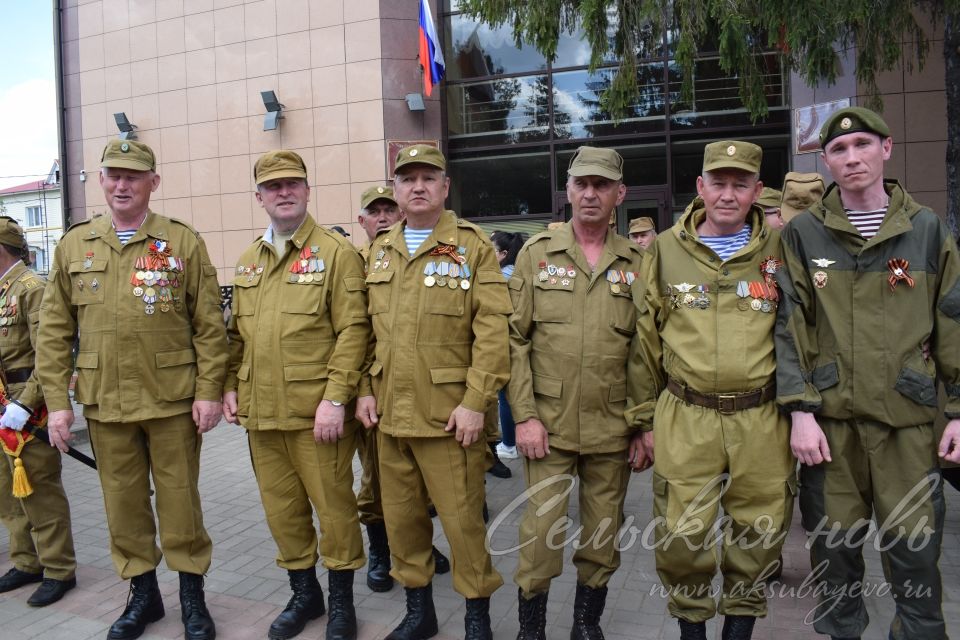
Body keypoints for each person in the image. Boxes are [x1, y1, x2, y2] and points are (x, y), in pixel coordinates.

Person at [775, 106, 960, 640]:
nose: (851, 157)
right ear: (827, 162)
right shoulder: (805, 235)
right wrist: (800, 412)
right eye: (838, 149)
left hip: (908, 424)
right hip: (832, 431)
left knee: (917, 557)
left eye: (861, 144)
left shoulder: (925, 230)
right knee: (833, 559)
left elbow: (953, 320)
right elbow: (790, 326)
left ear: (886, 148)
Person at [36, 139, 226, 640]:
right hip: (106, 402)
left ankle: (192, 598)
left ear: (153, 184)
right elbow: (54, 332)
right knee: (123, 505)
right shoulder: (75, 245)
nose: (122, 185)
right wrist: (58, 404)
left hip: (172, 400)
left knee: (180, 502)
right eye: (113, 175)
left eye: (134, 177)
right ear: (100, 180)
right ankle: (143, 596)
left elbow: (209, 324)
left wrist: (210, 391)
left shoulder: (181, 241)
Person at [630, 141, 795, 640]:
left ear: (757, 192)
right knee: (682, 534)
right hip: (686, 412)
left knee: (760, 531)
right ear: (700, 187)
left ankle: (739, 630)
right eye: (717, 183)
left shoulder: (780, 251)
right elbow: (644, 341)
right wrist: (644, 421)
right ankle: (692, 629)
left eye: (740, 184)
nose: (728, 194)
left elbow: (799, 331)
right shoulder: (664, 249)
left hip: (761, 417)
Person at [356, 144, 511, 640]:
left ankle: (476, 615)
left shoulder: (473, 245)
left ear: (445, 187)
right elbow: (362, 331)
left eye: (428, 177)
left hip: (449, 419)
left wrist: (474, 404)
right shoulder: (380, 250)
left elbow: (493, 333)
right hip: (389, 417)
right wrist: (362, 389)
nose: (417, 186)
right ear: (396, 190)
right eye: (407, 179)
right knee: (402, 524)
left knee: (463, 525)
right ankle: (419, 612)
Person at [222, 151, 368, 640]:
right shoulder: (248, 261)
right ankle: (306, 596)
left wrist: (336, 398)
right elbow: (235, 336)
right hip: (262, 417)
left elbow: (353, 331)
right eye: (272, 186)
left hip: (316, 416)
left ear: (307, 191)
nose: (283, 192)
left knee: (335, 512)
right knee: (282, 512)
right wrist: (226, 386)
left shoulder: (336, 252)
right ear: (259, 197)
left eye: (292, 184)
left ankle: (343, 604)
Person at [507, 146, 644, 640]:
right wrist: (523, 416)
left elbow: (645, 352)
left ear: (618, 194)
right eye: (581, 183)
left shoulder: (636, 262)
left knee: (603, 536)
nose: (590, 193)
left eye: (601, 185)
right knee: (541, 535)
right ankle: (531, 628)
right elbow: (515, 339)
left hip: (613, 425)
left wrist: (643, 424)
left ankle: (587, 624)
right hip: (548, 423)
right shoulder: (536, 253)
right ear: (568, 190)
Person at [0, 217, 76, 607]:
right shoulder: (1, 290)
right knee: (9, 491)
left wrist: (25, 402)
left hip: (27, 404)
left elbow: (49, 353)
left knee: (40, 489)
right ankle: (26, 560)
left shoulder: (32, 288)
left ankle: (59, 568)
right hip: (2, 402)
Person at [490, 230, 525, 461]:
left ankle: (510, 444)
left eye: (491, 250)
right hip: (517, 341)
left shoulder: (501, 278)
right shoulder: (517, 273)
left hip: (504, 342)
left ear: (503, 254)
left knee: (505, 395)